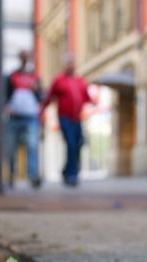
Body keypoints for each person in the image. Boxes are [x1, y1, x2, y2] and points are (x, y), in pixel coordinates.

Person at [40, 53, 92, 187]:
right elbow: (50, 97)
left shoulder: (80, 80)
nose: (71, 65)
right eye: (68, 62)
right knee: (71, 144)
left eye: (72, 62)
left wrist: (93, 104)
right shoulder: (59, 80)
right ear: (64, 65)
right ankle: (72, 175)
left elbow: (86, 97)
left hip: (77, 118)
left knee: (78, 144)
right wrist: (41, 110)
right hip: (64, 118)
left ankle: (66, 170)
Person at [5, 50, 42, 188]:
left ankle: (32, 176)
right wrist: (7, 106)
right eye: (23, 57)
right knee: (12, 148)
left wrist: (37, 91)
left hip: (31, 117)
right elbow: (6, 94)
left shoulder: (35, 77)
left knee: (32, 147)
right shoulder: (12, 76)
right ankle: (11, 175)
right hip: (14, 117)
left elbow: (40, 95)